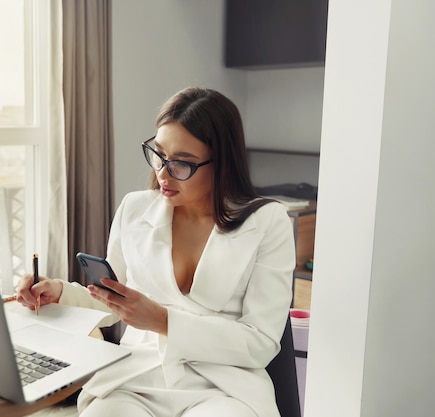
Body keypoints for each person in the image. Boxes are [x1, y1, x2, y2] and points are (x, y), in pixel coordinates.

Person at [16, 86, 295, 417]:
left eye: (182, 163)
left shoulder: (267, 221)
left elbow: (261, 344)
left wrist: (163, 321)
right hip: (137, 376)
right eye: (159, 154)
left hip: (224, 387)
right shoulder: (135, 209)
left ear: (222, 164)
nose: (163, 173)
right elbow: (114, 302)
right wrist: (59, 292)